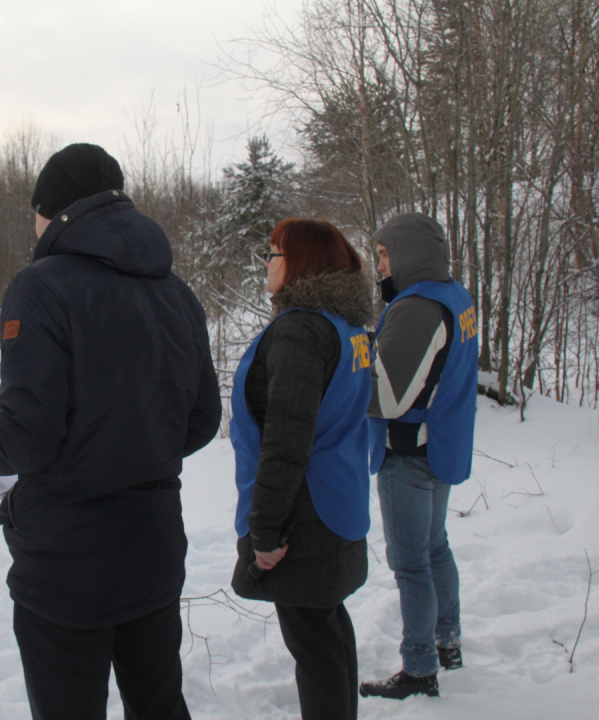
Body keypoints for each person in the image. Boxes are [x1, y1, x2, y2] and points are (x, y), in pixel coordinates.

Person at [0, 143, 221, 720]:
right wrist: (136, 450)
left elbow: (26, 438)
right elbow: (202, 420)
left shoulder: (41, 287)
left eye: (35, 211)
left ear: (54, 210)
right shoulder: (176, 292)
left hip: (68, 564)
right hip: (153, 547)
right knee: (159, 706)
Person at [229, 218, 374, 720]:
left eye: (273, 254)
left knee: (314, 647)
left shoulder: (299, 331)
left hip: (304, 512)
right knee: (327, 630)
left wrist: (264, 530)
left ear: (302, 263)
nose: (266, 264)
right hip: (337, 500)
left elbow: (287, 440)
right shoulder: (345, 325)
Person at [358, 212, 478, 700]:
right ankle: (447, 643)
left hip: (408, 455)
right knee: (435, 548)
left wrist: (349, 367)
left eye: (384, 255)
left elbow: (386, 398)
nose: (380, 266)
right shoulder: (456, 294)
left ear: (406, 254)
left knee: (411, 563)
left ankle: (419, 667)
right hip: (443, 442)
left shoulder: (416, 308)